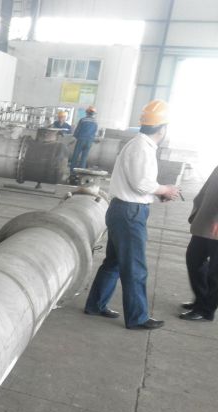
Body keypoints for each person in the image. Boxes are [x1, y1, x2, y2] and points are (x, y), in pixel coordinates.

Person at [83, 99, 180, 330]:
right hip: (129, 213)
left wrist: (158, 194)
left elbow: (138, 184)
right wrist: (164, 189)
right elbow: (141, 183)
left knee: (114, 262)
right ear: (163, 128)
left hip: (124, 210)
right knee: (135, 267)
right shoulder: (141, 148)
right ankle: (137, 318)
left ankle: (95, 305)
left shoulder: (140, 145)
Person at [179, 165, 218, 322]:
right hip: (205, 221)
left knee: (215, 273)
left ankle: (206, 310)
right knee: (194, 260)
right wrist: (196, 212)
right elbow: (205, 189)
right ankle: (201, 300)